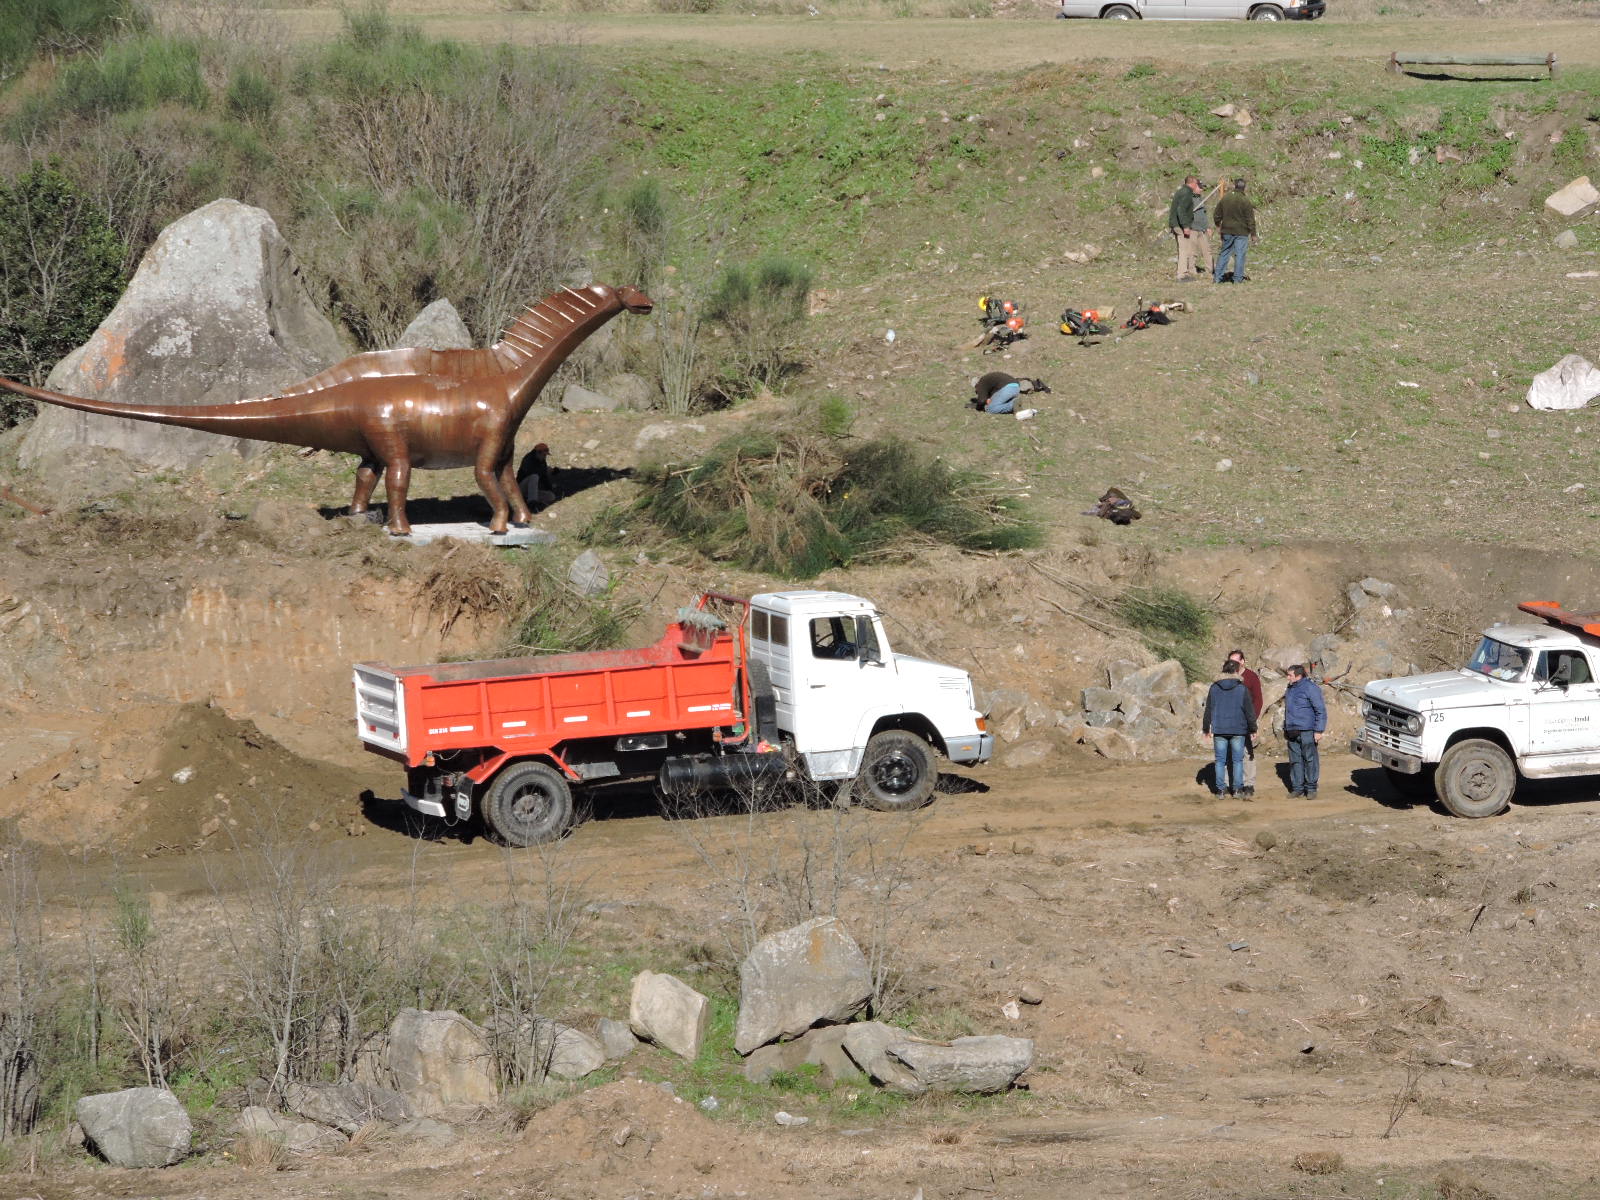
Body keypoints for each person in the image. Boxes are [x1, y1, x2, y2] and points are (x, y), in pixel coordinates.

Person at [1202, 659, 1257, 798]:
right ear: (1236, 671)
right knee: (1237, 760)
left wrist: (1205, 729)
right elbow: (1249, 711)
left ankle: (1221, 790)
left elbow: (1208, 709)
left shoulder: (1214, 688)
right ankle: (1237, 790)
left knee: (1220, 760)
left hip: (1219, 728)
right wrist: (1253, 728)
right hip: (1238, 729)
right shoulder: (1242, 688)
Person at [1283, 663, 1327, 798]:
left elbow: (1320, 710)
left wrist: (1319, 730)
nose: (1288, 677)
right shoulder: (1290, 688)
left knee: (1310, 759)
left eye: (1290, 675)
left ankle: (1311, 788)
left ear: (1298, 675)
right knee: (1295, 760)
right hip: (1292, 729)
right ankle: (1297, 788)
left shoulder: (1310, 688)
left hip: (1307, 730)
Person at [1227, 649, 1263, 797]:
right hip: (1229, 721)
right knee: (1230, 753)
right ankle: (1235, 784)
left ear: (1243, 661)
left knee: (1247, 753)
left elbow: (1258, 700)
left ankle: (1249, 784)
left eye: (1235, 661)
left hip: (1246, 720)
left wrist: (1251, 720)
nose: (1232, 664)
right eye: (1230, 661)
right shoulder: (1226, 677)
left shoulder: (1251, 677)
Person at [1212, 177, 1257, 284]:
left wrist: (1218, 226)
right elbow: (1250, 220)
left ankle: (1217, 278)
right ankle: (1237, 279)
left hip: (1227, 231)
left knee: (1224, 253)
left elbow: (1216, 215)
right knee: (1240, 255)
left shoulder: (1226, 198)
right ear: (1244, 188)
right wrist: (1253, 234)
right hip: (1241, 232)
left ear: (1235, 186)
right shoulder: (1245, 201)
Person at [1167, 175, 1203, 282]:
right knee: (1184, 250)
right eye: (1196, 183)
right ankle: (1181, 274)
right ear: (1191, 183)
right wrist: (1186, 226)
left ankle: (1184, 272)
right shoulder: (1186, 193)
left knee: (1185, 249)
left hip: (1177, 224)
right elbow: (1181, 210)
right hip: (1181, 226)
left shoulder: (1181, 191)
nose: (1197, 185)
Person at [970, 372, 1048, 416]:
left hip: (1007, 388)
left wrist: (979, 407)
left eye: (976, 389)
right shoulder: (988, 379)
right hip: (1016, 387)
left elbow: (981, 400)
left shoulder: (981, 384)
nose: (977, 391)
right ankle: (1014, 401)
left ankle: (1012, 405)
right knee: (996, 402)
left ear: (976, 384)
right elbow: (994, 395)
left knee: (991, 408)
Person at [516, 442, 556, 513]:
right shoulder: (528, 459)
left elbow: (544, 477)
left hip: (530, 492)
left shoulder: (542, 461)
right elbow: (531, 473)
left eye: (545, 455)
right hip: (521, 489)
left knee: (551, 496)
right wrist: (546, 471)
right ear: (537, 453)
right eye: (543, 455)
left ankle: (526, 499)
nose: (544, 457)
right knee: (534, 477)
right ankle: (532, 504)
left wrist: (549, 488)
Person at [1189, 181, 1214, 283]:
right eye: (1200, 187)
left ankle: (1210, 270)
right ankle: (1191, 271)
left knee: (1207, 250)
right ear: (1194, 187)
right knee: (1192, 252)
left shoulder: (1201, 199)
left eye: (1202, 187)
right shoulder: (1189, 198)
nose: (1202, 189)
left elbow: (1203, 215)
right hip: (1192, 229)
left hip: (1202, 230)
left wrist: (1207, 227)